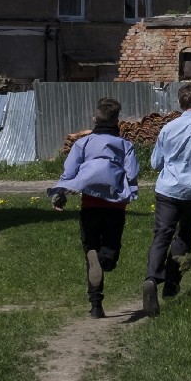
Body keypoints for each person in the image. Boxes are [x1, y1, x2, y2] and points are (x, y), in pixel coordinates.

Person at [50, 97, 139, 318]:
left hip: (90, 205)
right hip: (115, 208)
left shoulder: (83, 144)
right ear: (117, 120)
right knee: (109, 250)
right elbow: (133, 172)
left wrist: (60, 195)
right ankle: (105, 259)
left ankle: (96, 306)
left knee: (91, 250)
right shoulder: (125, 145)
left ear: (94, 119)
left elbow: (69, 174)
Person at [142, 82, 191, 317]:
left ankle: (151, 277)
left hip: (167, 189)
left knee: (162, 234)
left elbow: (156, 163)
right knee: (184, 234)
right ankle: (172, 282)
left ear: (179, 103)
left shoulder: (168, 128)